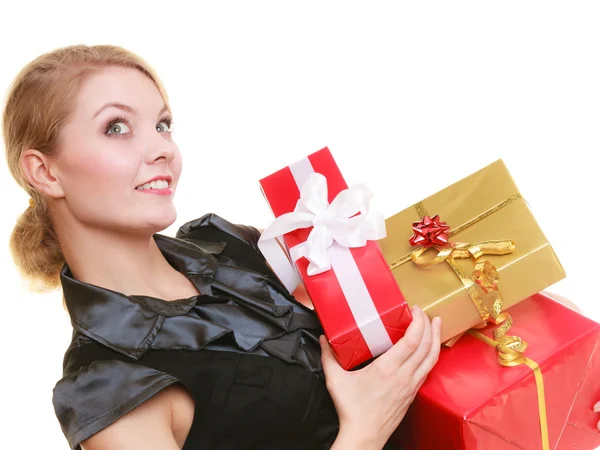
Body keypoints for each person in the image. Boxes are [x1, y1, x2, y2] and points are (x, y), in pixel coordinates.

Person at [2, 44, 442, 450]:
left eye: (162, 125)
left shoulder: (228, 246)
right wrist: (365, 429)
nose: (162, 149)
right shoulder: (110, 390)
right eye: (116, 128)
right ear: (45, 172)